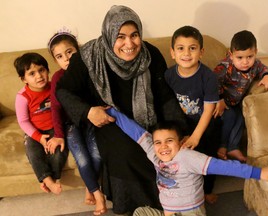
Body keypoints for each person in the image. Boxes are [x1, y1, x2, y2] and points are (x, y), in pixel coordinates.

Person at [56, 5, 187, 215]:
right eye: (121, 37)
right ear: (109, 35)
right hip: (109, 121)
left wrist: (180, 130)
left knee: (165, 146)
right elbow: (64, 90)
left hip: (147, 119)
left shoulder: (150, 54)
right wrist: (88, 111)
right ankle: (151, 206)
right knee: (127, 150)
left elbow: (164, 95)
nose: (129, 44)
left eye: (134, 35)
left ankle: (173, 202)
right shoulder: (89, 56)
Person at [99, 109, 268, 216]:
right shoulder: (154, 152)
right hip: (169, 212)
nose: (163, 147)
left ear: (180, 143)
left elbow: (225, 166)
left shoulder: (188, 157)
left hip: (191, 212)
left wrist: (259, 173)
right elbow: (136, 132)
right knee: (140, 212)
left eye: (169, 141)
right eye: (158, 142)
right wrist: (111, 112)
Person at [48, 30, 106, 215]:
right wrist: (58, 135)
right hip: (70, 125)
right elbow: (55, 108)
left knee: (96, 155)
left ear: (79, 50)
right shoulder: (58, 78)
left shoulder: (89, 70)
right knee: (82, 158)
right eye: (59, 56)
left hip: (90, 121)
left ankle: (89, 187)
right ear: (55, 60)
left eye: (69, 52)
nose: (66, 59)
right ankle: (98, 196)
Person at [164, 26, 221, 204]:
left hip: (205, 125)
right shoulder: (169, 75)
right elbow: (167, 106)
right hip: (181, 124)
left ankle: (207, 190)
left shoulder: (208, 77)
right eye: (181, 48)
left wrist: (196, 136)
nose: (186, 53)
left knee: (207, 158)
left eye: (192, 48)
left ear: (201, 52)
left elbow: (209, 110)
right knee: (182, 159)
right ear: (173, 52)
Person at [213, 30, 268, 162]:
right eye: (240, 58)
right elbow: (213, 83)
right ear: (231, 55)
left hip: (237, 102)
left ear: (255, 52)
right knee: (230, 117)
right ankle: (222, 145)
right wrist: (219, 99)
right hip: (222, 102)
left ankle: (233, 147)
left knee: (241, 118)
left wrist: (267, 76)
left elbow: (263, 68)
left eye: (249, 56)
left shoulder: (255, 65)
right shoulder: (224, 67)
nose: (245, 62)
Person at [14, 52, 69, 195]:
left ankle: (53, 179)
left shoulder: (54, 87)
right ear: (23, 79)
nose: (39, 76)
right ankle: (46, 180)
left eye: (41, 70)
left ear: (47, 70)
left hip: (55, 129)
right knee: (33, 153)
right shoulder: (23, 96)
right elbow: (23, 121)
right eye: (32, 73)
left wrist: (58, 133)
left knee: (58, 153)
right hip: (34, 131)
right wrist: (38, 137)